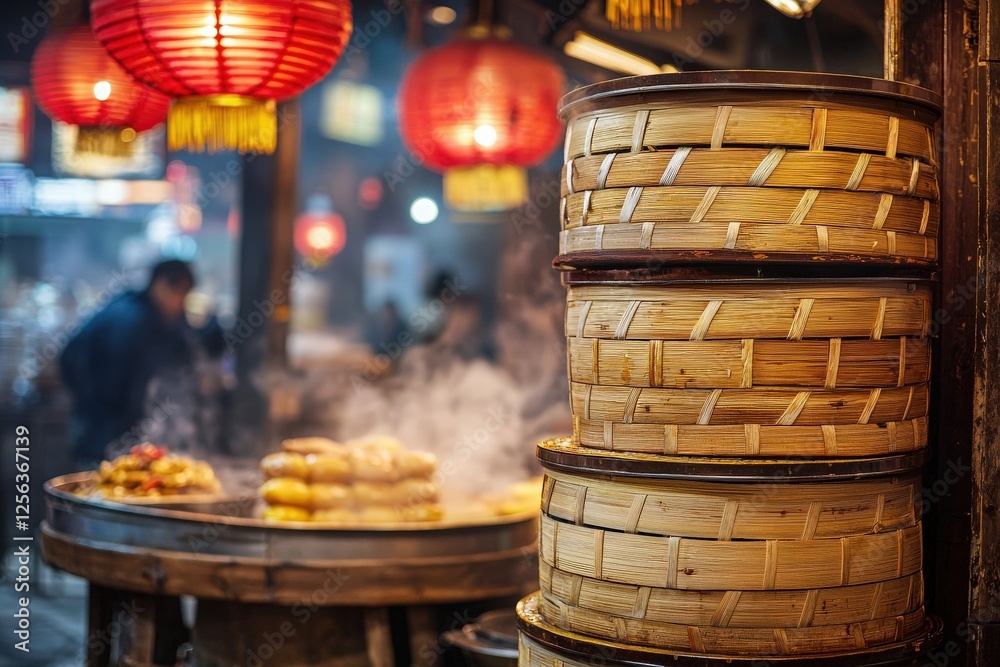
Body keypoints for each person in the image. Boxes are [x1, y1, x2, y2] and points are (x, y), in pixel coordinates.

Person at [59, 260, 198, 469]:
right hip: (102, 437)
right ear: (161, 284)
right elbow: (110, 384)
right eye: (180, 294)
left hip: (104, 431)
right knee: (103, 484)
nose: (181, 305)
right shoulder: (130, 321)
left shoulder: (141, 311)